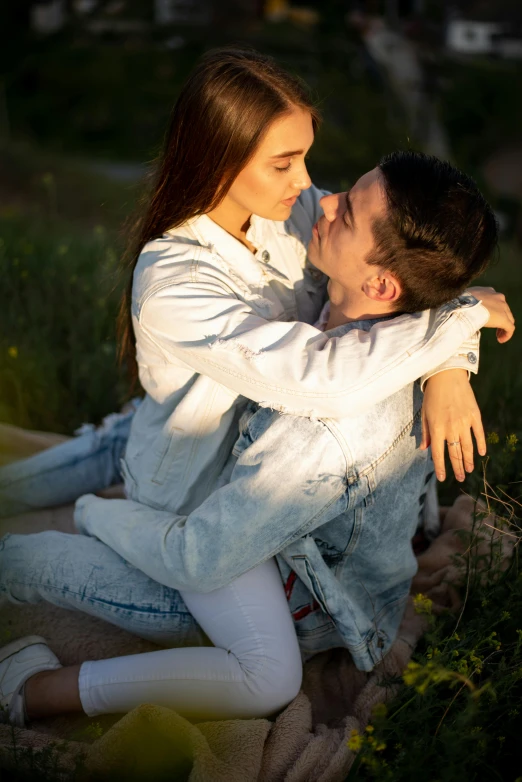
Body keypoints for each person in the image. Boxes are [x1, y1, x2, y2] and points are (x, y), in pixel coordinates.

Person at [0, 150, 513, 728]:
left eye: (346, 214)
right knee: (141, 429)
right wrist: (456, 352)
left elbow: (201, 556)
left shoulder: (319, 435)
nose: (326, 200)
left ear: (379, 282)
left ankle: (28, 670)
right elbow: (448, 293)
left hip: (275, 564)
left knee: (42, 561)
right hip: (253, 508)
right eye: (347, 190)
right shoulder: (399, 316)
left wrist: (95, 516)